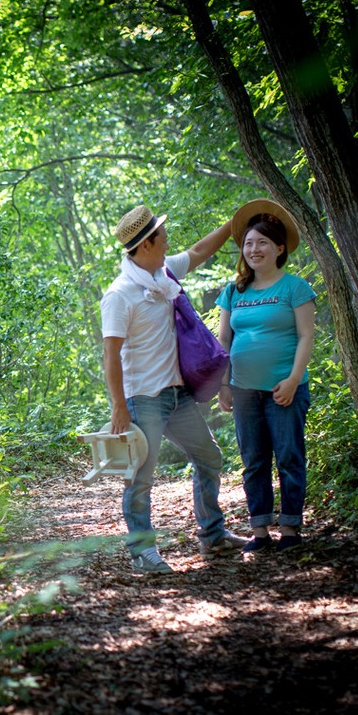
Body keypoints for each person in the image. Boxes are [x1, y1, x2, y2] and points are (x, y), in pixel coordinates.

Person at [101, 204, 247, 574]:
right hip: (142, 399)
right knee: (141, 478)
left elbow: (199, 252)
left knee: (209, 458)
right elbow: (111, 355)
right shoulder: (120, 294)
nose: (168, 242)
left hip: (177, 396)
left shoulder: (163, 273)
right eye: (162, 236)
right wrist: (119, 405)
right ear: (147, 243)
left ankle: (213, 535)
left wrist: (233, 224)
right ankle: (143, 552)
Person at [216, 199, 316, 553]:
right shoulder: (233, 291)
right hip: (243, 391)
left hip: (284, 390)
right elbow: (224, 340)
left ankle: (290, 530)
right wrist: (222, 384)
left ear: (279, 248)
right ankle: (260, 532)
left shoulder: (295, 288)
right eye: (248, 243)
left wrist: (292, 380)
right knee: (254, 461)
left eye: (261, 242)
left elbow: (306, 336)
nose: (253, 249)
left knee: (289, 457)